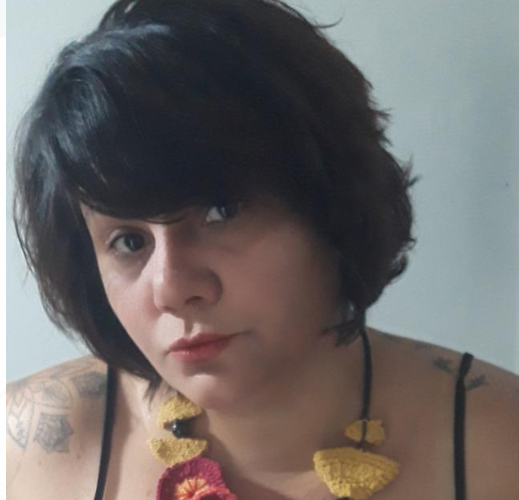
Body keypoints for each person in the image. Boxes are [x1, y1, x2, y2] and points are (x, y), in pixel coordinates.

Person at [6, 0, 519, 499]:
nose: (172, 287)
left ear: (331, 202)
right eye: (129, 241)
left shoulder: (500, 445)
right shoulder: (25, 449)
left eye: (221, 211)